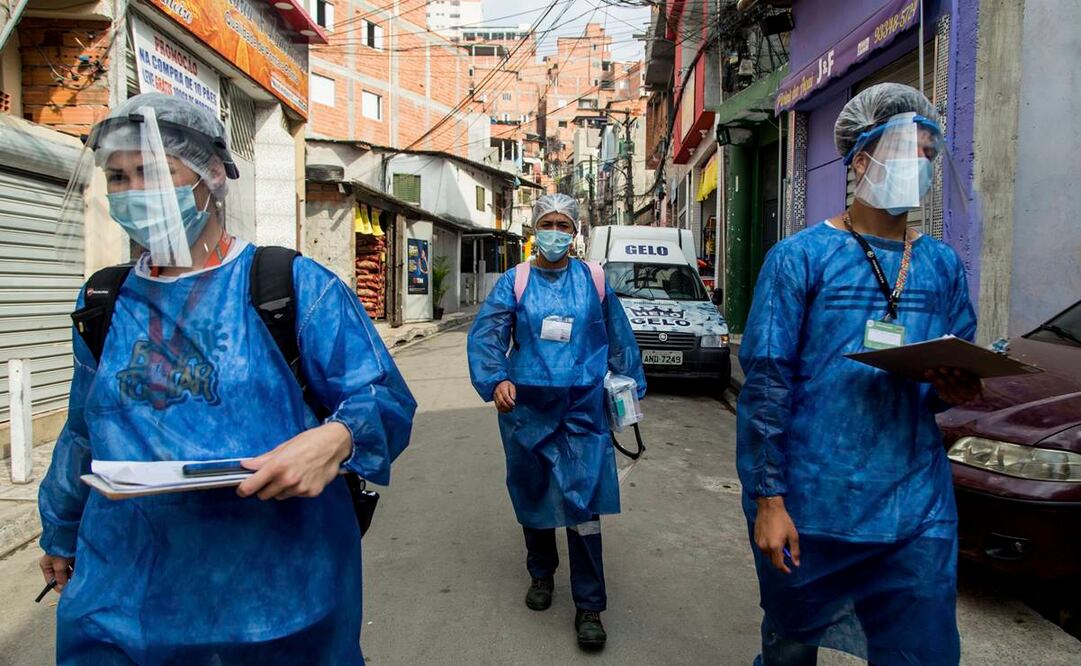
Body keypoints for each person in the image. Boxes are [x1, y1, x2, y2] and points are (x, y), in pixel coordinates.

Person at [38, 93, 417, 665]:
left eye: (153, 173)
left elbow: (382, 398)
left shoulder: (290, 288)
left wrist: (336, 439)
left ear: (211, 175)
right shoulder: (103, 302)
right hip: (124, 596)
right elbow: (81, 431)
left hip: (278, 600)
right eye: (118, 177)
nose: (134, 192)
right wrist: (61, 531)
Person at [736, 83, 982, 666]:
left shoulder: (941, 265)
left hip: (915, 505)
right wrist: (770, 499)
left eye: (928, 153)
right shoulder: (799, 258)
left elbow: (949, 372)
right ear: (863, 160)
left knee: (922, 652)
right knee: (790, 646)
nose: (919, 164)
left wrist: (953, 388)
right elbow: (767, 388)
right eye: (906, 151)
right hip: (813, 502)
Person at [466, 193, 646, 650]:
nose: (555, 232)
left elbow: (619, 338)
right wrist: (495, 380)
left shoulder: (595, 280)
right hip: (525, 409)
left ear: (576, 231)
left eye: (564, 225)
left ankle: (590, 605)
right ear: (534, 227)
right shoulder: (516, 281)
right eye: (548, 223)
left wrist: (627, 389)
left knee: (583, 502)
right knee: (534, 490)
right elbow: (488, 335)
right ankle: (541, 573)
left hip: (583, 408)